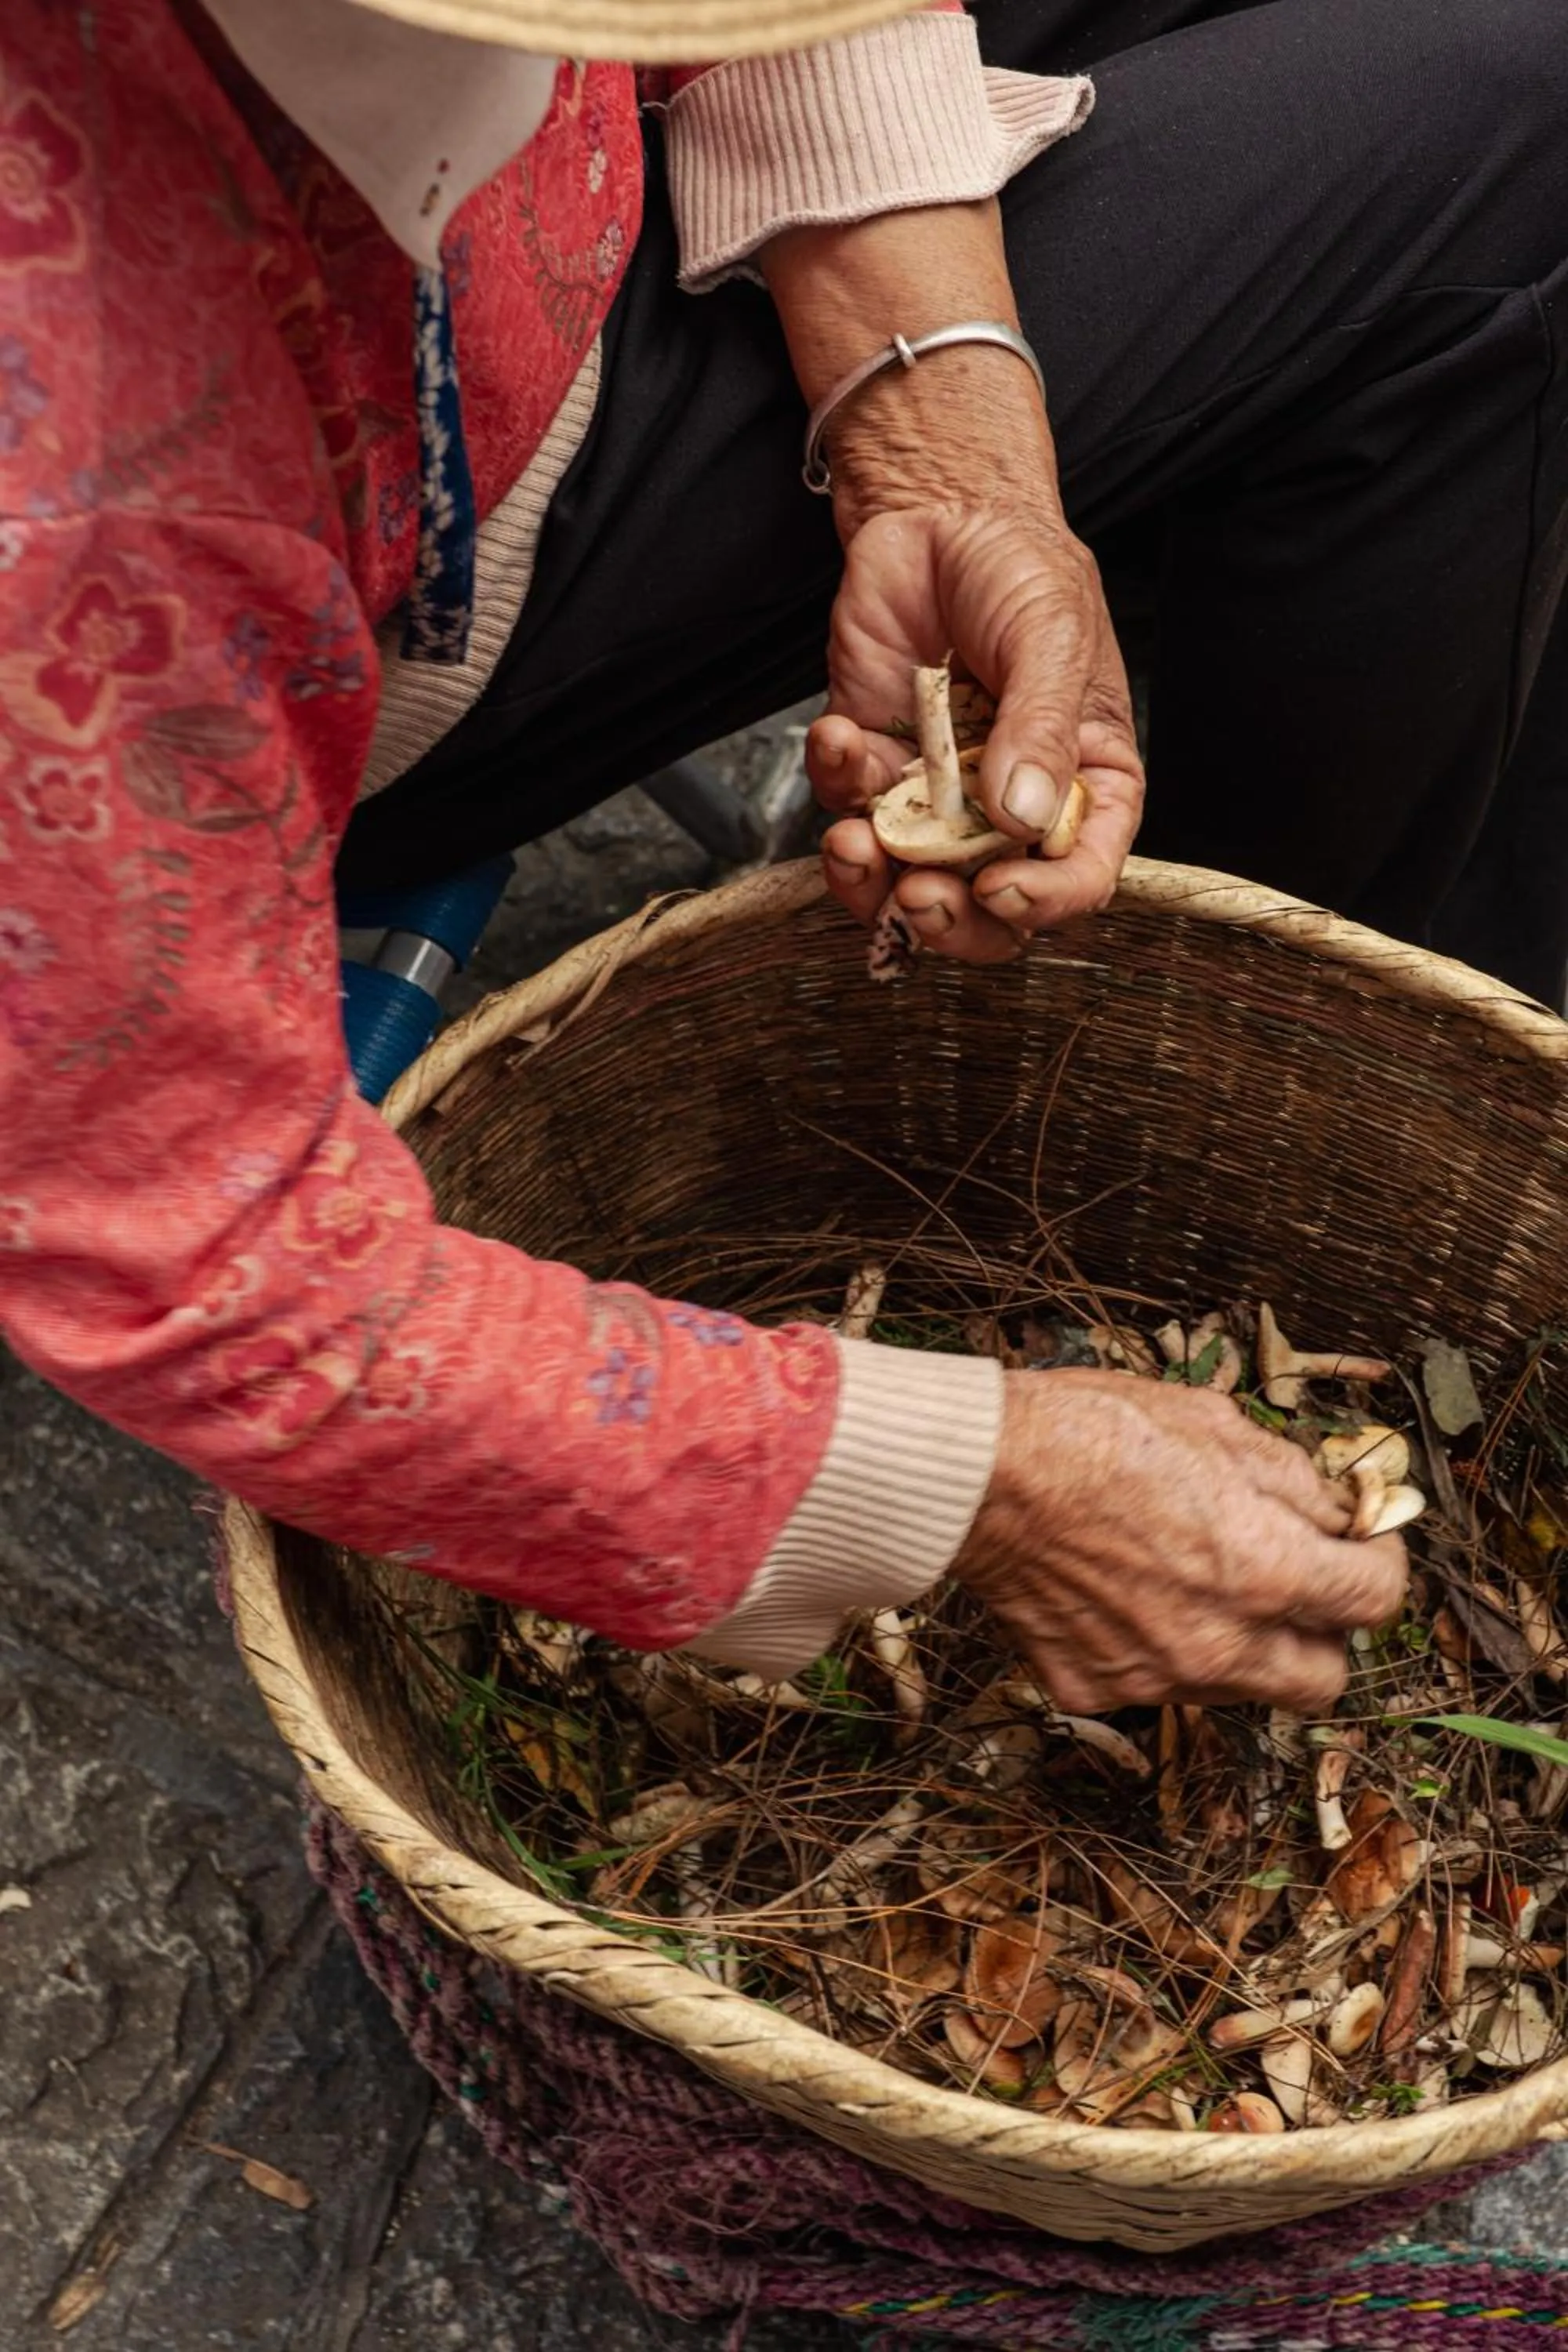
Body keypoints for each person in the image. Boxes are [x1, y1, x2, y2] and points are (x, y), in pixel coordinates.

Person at [9, 0, 1561, 1722]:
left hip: (527, 212)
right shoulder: (82, 484)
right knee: (1516, 154)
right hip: (363, 569)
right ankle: (1221, 1157)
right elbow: (191, 1260)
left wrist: (945, 448)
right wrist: (981, 1480)